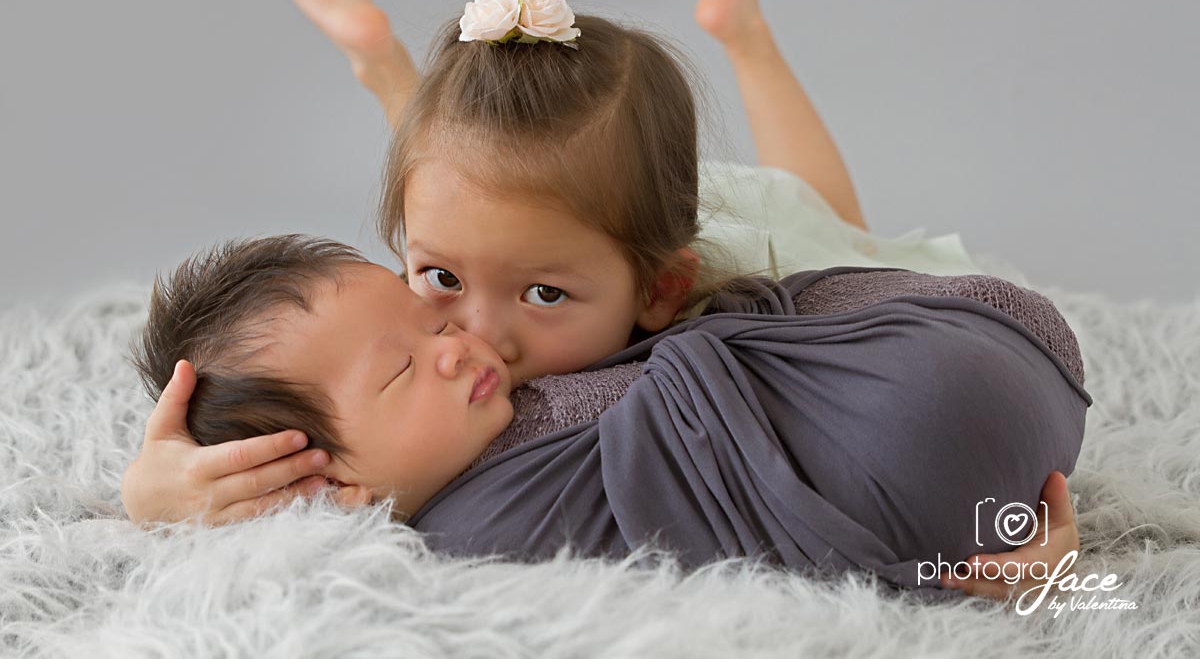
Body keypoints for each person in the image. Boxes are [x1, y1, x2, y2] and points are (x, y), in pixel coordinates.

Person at [121, 0, 1080, 601]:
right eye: (436, 287)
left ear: (657, 293)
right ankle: (392, 79)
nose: (473, 336)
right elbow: (326, 358)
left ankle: (746, 39)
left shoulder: (688, 294)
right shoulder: (447, 313)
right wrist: (154, 493)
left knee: (823, 208)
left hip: (734, 233)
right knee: (464, 198)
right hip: (535, 221)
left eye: (541, 296)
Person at [129, 234, 1089, 600]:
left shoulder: (511, 367)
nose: (463, 341)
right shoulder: (470, 534)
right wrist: (155, 504)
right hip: (959, 412)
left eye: (433, 315)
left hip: (969, 345)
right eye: (406, 369)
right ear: (327, 485)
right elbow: (740, 560)